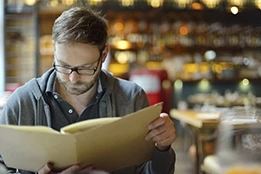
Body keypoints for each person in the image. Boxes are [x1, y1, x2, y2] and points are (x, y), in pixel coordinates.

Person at [0, 6, 176, 174]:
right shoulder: (22, 103)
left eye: (84, 68)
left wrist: (162, 148)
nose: (72, 78)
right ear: (54, 51)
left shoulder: (131, 98)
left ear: (104, 54)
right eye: (63, 66)